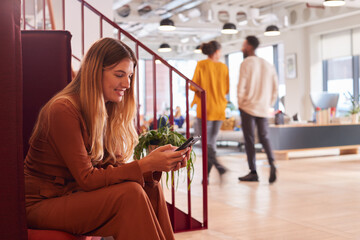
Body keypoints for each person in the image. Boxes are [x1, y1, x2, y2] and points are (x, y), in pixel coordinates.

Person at [24, 38, 191, 240]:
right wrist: (144, 164)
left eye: (129, 76)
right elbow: (87, 179)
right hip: (42, 204)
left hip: (72, 195)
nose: (127, 84)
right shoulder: (62, 109)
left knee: (149, 188)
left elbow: (110, 167)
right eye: (119, 75)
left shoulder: (105, 110)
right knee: (130, 194)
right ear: (94, 73)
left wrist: (153, 167)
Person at [237, 36, 278, 183]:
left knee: (249, 139)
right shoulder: (267, 64)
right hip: (263, 107)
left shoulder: (246, 63)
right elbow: (275, 87)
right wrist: (269, 103)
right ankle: (272, 162)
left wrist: (240, 102)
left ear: (249, 47)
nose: (242, 48)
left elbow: (241, 86)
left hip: (248, 106)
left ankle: (253, 172)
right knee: (264, 136)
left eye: (243, 45)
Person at [190, 40, 229, 182]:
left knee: (206, 143)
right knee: (211, 143)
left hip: (205, 108)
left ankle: (217, 167)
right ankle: (206, 177)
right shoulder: (224, 67)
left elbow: (194, 85)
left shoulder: (201, 65)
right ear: (217, 51)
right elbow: (226, 89)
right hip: (219, 109)